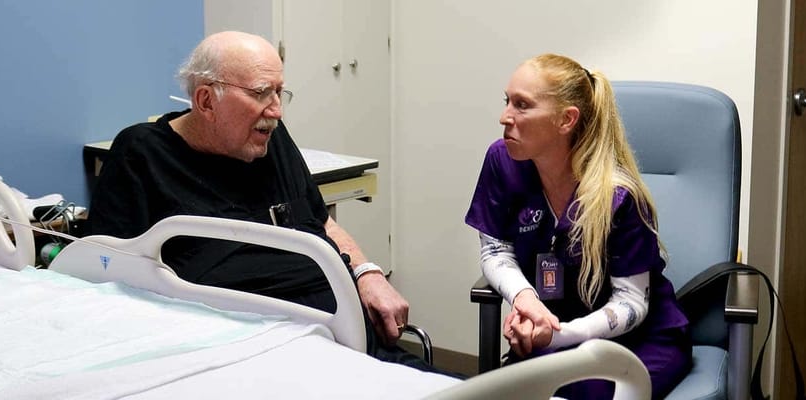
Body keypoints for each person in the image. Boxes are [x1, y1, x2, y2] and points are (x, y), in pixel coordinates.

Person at [83, 31, 440, 374]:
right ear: (206, 101)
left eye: (280, 92)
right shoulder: (142, 156)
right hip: (259, 350)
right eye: (261, 93)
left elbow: (322, 221)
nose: (277, 111)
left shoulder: (270, 140)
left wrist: (367, 273)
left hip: (350, 334)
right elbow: (108, 276)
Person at [464, 53, 690, 398]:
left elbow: (632, 301)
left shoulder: (618, 196)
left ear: (566, 120)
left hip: (639, 339)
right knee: (524, 389)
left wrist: (560, 335)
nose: (504, 117)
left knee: (593, 393)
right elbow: (495, 250)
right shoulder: (503, 160)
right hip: (552, 330)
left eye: (522, 105)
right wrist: (526, 300)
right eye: (506, 101)